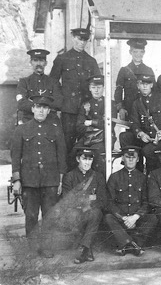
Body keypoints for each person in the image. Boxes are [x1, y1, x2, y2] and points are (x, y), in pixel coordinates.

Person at [10, 95, 66, 257]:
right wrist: (17, 180)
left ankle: (47, 247)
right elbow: (15, 157)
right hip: (29, 181)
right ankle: (33, 249)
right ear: (33, 109)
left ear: (48, 110)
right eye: (38, 107)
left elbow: (61, 157)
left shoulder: (56, 129)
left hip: (50, 181)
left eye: (44, 108)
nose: (41, 110)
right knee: (31, 216)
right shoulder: (21, 130)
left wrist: (60, 180)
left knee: (49, 215)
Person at [49, 27, 100, 163]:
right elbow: (53, 83)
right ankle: (68, 176)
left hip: (86, 110)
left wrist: (91, 102)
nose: (82, 42)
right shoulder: (62, 59)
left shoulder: (91, 61)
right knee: (67, 142)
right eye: (79, 39)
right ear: (73, 38)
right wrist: (61, 101)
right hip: (68, 109)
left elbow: (98, 84)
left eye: (85, 40)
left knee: (88, 141)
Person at [105, 146, 158, 256]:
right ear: (123, 158)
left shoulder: (143, 178)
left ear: (138, 159)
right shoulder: (114, 177)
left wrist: (135, 217)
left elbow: (146, 202)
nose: (130, 160)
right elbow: (109, 202)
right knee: (108, 217)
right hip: (121, 220)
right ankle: (134, 245)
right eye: (127, 157)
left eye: (133, 157)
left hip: (137, 219)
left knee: (153, 218)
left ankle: (126, 244)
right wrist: (123, 218)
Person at [61, 147, 107, 263]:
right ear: (78, 159)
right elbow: (67, 200)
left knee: (96, 213)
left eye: (90, 159)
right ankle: (87, 249)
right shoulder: (70, 176)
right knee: (74, 215)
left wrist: (89, 207)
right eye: (84, 159)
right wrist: (82, 206)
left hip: (91, 211)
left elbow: (102, 199)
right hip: (74, 211)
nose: (87, 162)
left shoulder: (98, 177)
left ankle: (83, 249)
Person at [119, 73, 161, 174]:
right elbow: (134, 123)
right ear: (138, 86)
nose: (145, 86)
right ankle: (135, 171)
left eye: (147, 84)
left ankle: (151, 175)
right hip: (145, 137)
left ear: (152, 85)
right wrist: (140, 134)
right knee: (125, 136)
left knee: (148, 150)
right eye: (142, 84)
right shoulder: (137, 103)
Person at [73, 75, 116, 175]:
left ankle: (99, 182)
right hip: (88, 139)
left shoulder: (110, 104)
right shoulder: (86, 105)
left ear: (103, 88)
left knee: (97, 154)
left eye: (99, 87)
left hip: (104, 138)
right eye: (93, 87)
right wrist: (98, 125)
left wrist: (91, 122)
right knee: (74, 152)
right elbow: (79, 126)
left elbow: (110, 125)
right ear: (89, 88)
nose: (96, 90)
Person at [16, 49, 62, 124]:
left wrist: (37, 106)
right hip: (29, 121)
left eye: (41, 60)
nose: (38, 63)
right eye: (35, 60)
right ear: (30, 62)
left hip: (50, 122)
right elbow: (21, 103)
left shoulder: (54, 82)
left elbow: (59, 102)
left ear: (46, 63)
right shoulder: (24, 82)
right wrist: (43, 107)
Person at [115, 38, 155, 120]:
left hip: (146, 108)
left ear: (144, 52)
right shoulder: (124, 70)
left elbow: (155, 90)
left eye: (141, 52)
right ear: (130, 52)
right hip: (129, 109)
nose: (138, 54)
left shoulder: (148, 70)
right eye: (135, 52)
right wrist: (120, 108)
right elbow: (118, 91)